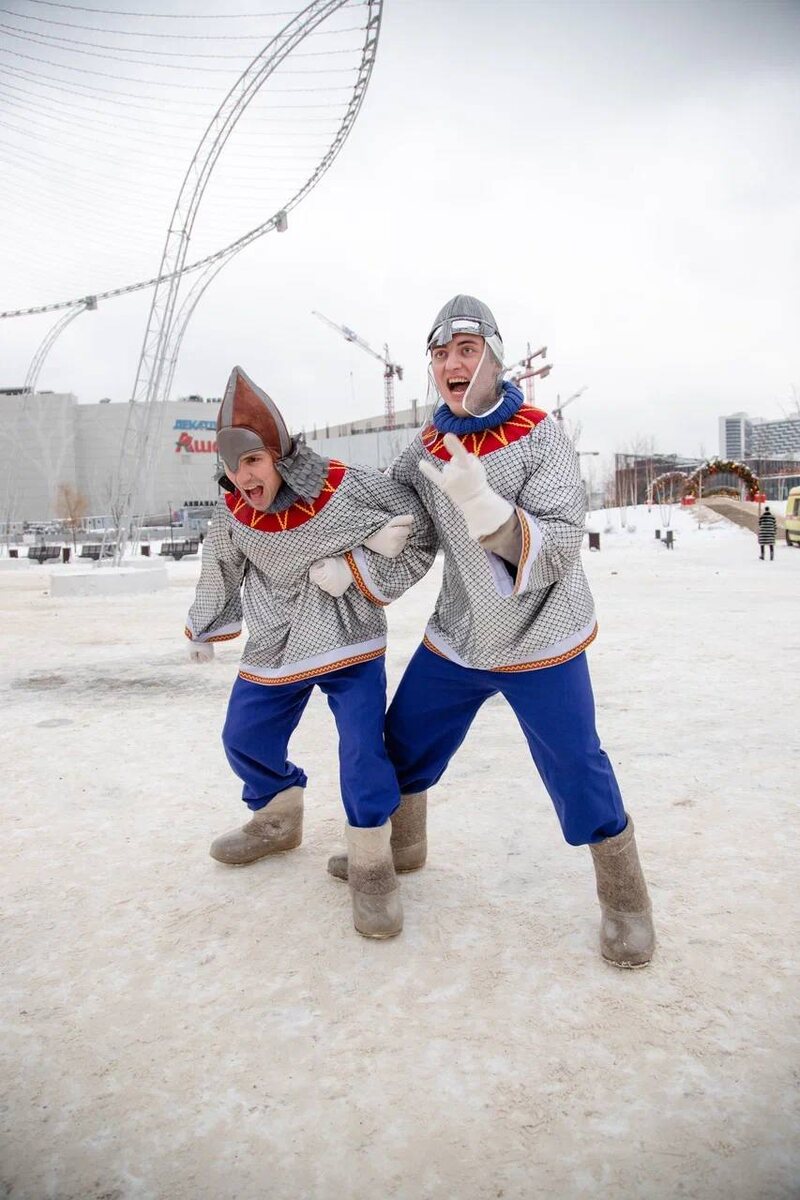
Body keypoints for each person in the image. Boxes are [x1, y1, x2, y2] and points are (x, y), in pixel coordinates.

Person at [320, 296, 655, 968]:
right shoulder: (426, 445)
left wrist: (483, 506)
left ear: (496, 361)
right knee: (403, 742)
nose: (452, 363)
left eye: (466, 350)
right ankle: (405, 846)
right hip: (463, 632)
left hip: (542, 635)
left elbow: (560, 543)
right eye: (441, 353)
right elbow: (399, 523)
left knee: (577, 766)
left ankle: (625, 899)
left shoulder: (542, 435)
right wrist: (348, 550)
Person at [185, 366, 436, 939]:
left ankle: (374, 865)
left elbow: (418, 531)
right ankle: (277, 818)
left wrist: (357, 568)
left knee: (361, 752)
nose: (241, 475)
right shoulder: (233, 513)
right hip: (277, 638)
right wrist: (203, 625)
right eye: (230, 464)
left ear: (278, 454)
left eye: (251, 460)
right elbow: (220, 566)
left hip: (345, 633)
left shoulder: (345, 486)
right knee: (243, 736)